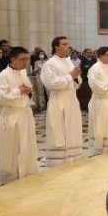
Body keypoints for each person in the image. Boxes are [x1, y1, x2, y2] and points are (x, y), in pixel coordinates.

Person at [0, 46, 38, 185]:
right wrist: (18, 91)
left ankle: (27, 177)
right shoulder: (3, 76)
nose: (25, 62)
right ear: (12, 59)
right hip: (11, 116)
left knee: (27, 148)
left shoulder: (23, 73)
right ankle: (10, 181)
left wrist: (28, 92)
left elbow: (28, 91)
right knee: (11, 151)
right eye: (22, 59)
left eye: (27, 59)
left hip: (25, 115)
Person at [41, 36, 83, 167]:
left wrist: (76, 78)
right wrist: (70, 77)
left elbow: (77, 81)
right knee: (59, 131)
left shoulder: (69, 61)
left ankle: (73, 160)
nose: (68, 46)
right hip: (58, 101)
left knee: (72, 129)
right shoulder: (50, 63)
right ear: (56, 47)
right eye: (64, 44)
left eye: (68, 44)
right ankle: (58, 163)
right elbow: (50, 83)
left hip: (71, 100)